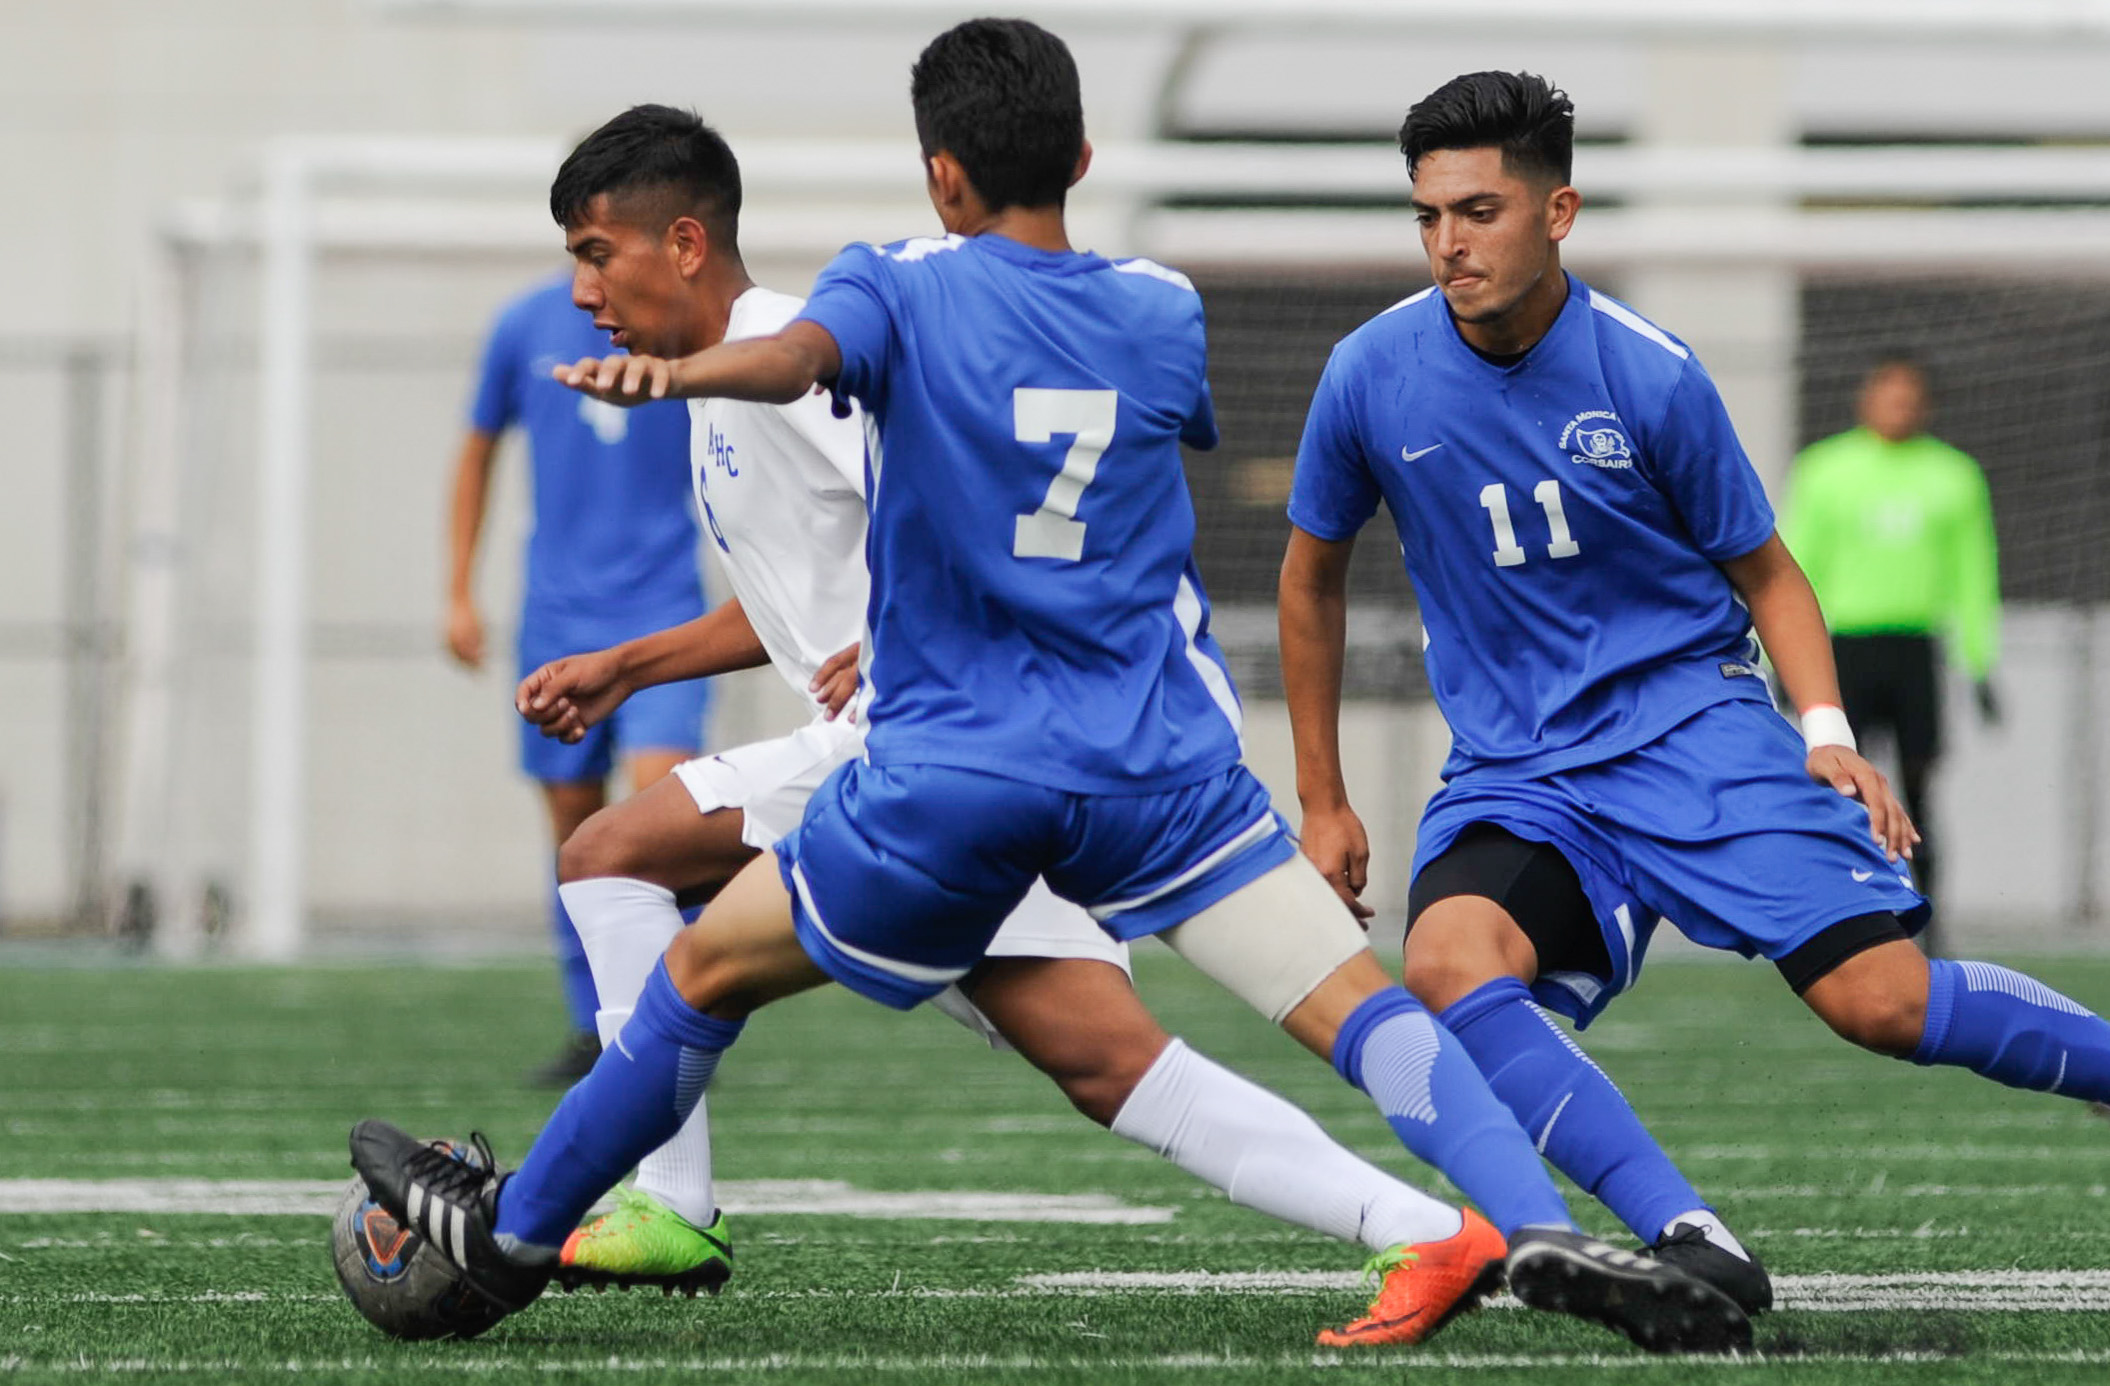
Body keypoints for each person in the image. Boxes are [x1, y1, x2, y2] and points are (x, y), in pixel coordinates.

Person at [352, 24, 1749, 1356]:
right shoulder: (1161, 311)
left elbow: (800, 363)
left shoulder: (893, 279)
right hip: (1154, 763)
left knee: (695, 973)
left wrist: (680, 374)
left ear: (939, 174)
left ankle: (512, 1240)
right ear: (1082, 159)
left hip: (955, 768)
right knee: (1355, 1011)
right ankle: (1524, 1224)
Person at [502, 102, 1511, 1349]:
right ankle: (1424, 1230)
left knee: (615, 859)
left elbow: (943, 491)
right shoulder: (729, 385)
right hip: (946, 744)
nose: (583, 287)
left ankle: (637, 1212)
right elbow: (803, 596)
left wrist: (908, 618)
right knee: (1101, 1058)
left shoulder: (781, 351)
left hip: (927, 749)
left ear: (688, 241)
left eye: (597, 253)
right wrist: (628, 666)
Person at [1279, 68, 2110, 1321]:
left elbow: (1769, 575)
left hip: (1693, 734)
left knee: (1880, 1005)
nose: (1450, 242)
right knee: (1447, 964)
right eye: (1429, 216)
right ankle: (1689, 1238)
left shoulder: (1651, 377)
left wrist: (1824, 733)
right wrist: (1325, 800)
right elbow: (1310, 585)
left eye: (1480, 210)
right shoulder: (1367, 374)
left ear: (1557, 212)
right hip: (1521, 771)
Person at [447, 269, 711, 1085]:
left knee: (664, 801)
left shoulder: (690, 321)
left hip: (666, 604)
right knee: (573, 825)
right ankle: (593, 1023)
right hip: (556, 615)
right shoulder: (521, 324)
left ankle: (688, 1003)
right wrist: (457, 588)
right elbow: (476, 451)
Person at [1782, 355, 2002, 950]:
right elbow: (1794, 569)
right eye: (1889, 394)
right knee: (1837, 790)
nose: (1898, 406)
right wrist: (1782, 660)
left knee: (1920, 787)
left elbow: (1973, 573)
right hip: (1844, 650)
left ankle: (1928, 918)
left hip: (1913, 652)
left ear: (1923, 403)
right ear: (1867, 397)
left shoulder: (1954, 476)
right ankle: (1827, 918)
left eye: (1910, 397)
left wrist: (1980, 662)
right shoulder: (1824, 470)